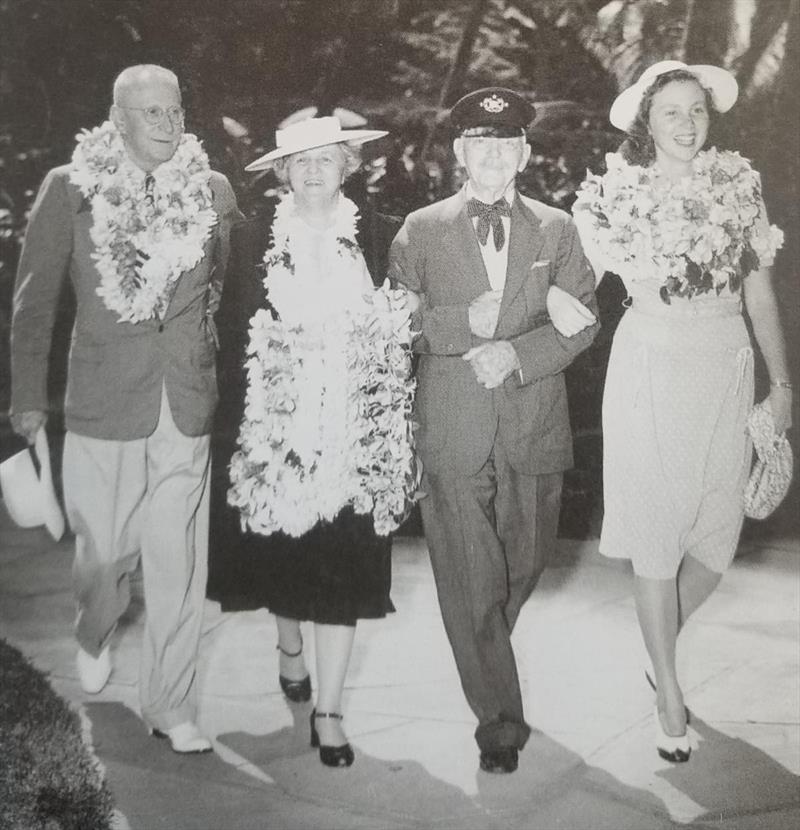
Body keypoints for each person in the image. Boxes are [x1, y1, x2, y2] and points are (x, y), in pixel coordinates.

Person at [10, 65, 241, 754]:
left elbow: (219, 288)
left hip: (185, 403)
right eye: (151, 114)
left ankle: (172, 705)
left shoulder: (213, 190)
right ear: (117, 121)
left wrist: (204, 363)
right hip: (103, 400)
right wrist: (25, 400)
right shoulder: (70, 187)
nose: (169, 125)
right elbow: (34, 301)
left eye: (175, 110)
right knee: (104, 554)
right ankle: (94, 625)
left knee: (179, 562)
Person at [567, 60, 792, 762]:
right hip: (651, 366)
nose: (688, 124)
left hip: (725, 367)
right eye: (673, 112)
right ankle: (668, 689)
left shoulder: (739, 186)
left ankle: (657, 642)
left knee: (718, 541)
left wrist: (782, 386)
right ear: (647, 122)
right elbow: (573, 277)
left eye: (697, 110)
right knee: (658, 533)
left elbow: (760, 294)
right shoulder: (612, 195)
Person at [388, 87, 600, 774]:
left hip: (533, 415)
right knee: (469, 572)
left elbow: (584, 317)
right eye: (481, 143)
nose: (494, 155)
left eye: (506, 143)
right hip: (450, 421)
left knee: (524, 561)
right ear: (459, 152)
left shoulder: (556, 229)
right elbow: (391, 323)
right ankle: (499, 722)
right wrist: (458, 325)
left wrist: (518, 353)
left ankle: (479, 639)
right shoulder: (420, 229)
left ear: (525, 153)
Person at [207, 115, 418, 768]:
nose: (313, 171)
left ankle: (329, 712)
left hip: (355, 428)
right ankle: (288, 644)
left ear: (348, 165)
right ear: (282, 173)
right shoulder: (250, 241)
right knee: (286, 557)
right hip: (279, 427)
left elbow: (404, 322)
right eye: (299, 162)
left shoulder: (379, 236)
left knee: (345, 566)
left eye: (326, 159)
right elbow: (232, 329)